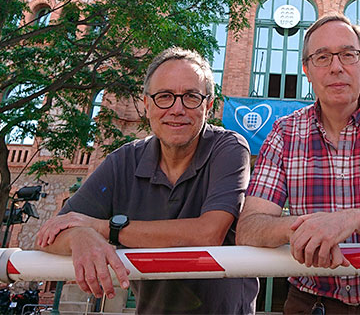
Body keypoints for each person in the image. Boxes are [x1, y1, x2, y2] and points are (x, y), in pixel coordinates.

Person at [237, 13, 360, 315]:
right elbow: (250, 228)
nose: (336, 67)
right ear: (306, 70)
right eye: (322, 57)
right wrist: (306, 229)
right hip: (311, 303)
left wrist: (352, 219)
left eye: (348, 54)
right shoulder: (283, 133)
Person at [36, 47, 258, 315]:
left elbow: (208, 233)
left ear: (208, 105)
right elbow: (49, 235)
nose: (177, 109)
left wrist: (104, 228)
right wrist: (79, 235)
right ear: (147, 105)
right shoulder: (123, 161)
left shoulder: (229, 148)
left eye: (191, 97)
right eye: (164, 97)